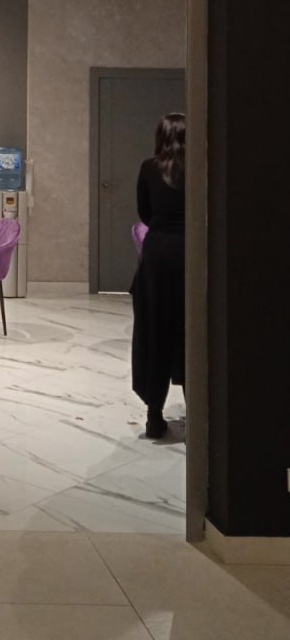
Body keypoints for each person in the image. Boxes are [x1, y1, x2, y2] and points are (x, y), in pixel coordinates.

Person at [131, 112, 186, 438]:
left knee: (155, 327)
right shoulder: (199, 167)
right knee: (191, 327)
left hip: (158, 254)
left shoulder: (149, 168)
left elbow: (145, 212)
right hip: (191, 251)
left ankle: (154, 415)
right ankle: (197, 409)